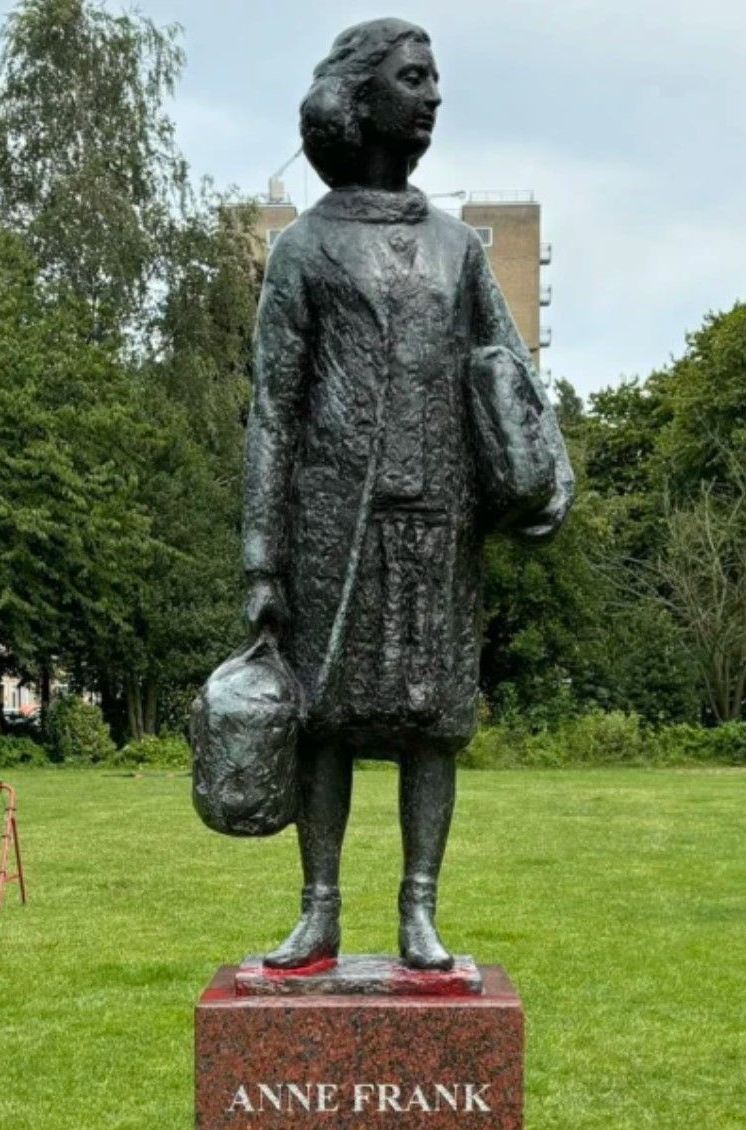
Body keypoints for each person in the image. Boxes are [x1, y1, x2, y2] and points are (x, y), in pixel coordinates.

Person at [241, 19, 573, 970]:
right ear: (361, 94)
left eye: (435, 79)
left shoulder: (461, 249)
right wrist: (261, 559)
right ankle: (320, 906)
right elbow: (273, 409)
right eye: (414, 78)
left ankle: (419, 908)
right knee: (326, 721)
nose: (431, 96)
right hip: (329, 525)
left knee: (434, 723)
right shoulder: (305, 250)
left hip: (440, 518)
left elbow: (511, 376)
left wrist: (539, 473)